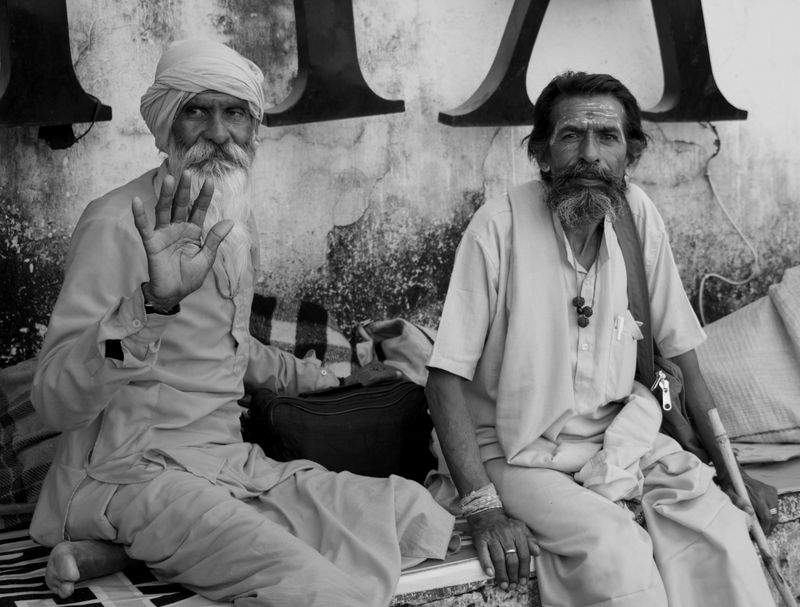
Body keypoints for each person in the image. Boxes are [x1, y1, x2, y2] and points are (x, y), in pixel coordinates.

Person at [30, 39, 455, 607]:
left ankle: (127, 551)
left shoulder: (233, 215)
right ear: (165, 125)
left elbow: (230, 346)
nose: (218, 132)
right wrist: (152, 305)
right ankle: (118, 532)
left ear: (254, 130)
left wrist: (326, 380)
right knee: (315, 588)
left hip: (230, 465)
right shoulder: (114, 224)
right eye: (196, 111)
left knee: (415, 517)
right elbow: (54, 398)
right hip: (133, 474)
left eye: (235, 113)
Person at [425, 71, 778, 606]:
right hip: (516, 453)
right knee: (615, 551)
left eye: (607, 138)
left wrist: (729, 471)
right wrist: (483, 508)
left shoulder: (637, 217)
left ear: (629, 156)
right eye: (571, 136)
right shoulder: (496, 228)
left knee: (724, 531)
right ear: (542, 153)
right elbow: (443, 380)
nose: (589, 154)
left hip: (624, 437)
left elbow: (681, 356)